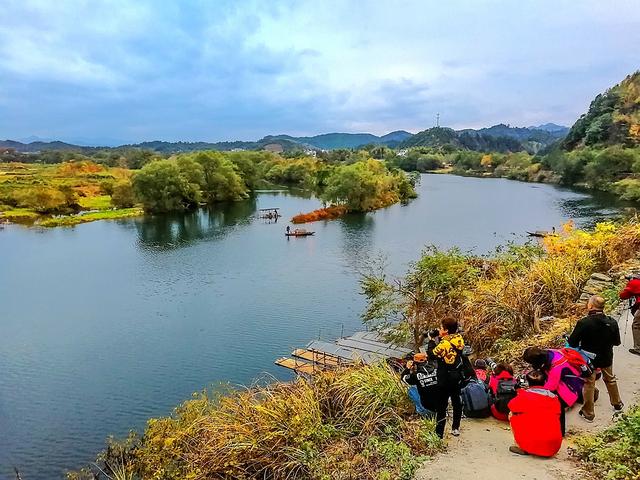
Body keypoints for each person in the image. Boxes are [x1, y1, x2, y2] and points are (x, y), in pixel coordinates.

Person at [567, 295, 623, 422]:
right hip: (606, 356)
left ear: (591, 306)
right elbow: (617, 342)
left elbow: (572, 343)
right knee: (610, 379)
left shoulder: (584, 323)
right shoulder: (612, 322)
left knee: (589, 383)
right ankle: (617, 403)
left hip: (589, 359)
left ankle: (588, 413)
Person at [523, 346, 584, 436]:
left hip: (570, 389)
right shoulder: (550, 352)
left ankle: (559, 430)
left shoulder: (556, 367)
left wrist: (533, 390)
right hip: (573, 380)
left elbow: (550, 388)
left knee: (553, 403)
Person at [508, 369, 562, 457]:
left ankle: (521, 446)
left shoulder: (524, 395)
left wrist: (520, 392)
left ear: (528, 382)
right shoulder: (554, 398)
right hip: (553, 448)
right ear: (545, 381)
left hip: (533, 446)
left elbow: (511, 406)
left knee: (512, 414)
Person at [431, 317, 465, 438]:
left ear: (445, 330)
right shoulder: (459, 338)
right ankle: (455, 427)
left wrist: (431, 340)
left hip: (445, 377)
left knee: (441, 405)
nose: (439, 330)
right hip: (456, 375)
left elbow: (432, 354)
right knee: (456, 402)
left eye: (441, 328)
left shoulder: (444, 343)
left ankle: (439, 433)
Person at [401, 352, 439, 418]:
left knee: (411, 390)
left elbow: (403, 378)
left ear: (415, 364)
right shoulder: (437, 369)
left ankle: (421, 411)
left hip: (429, 411)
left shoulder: (415, 376)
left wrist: (407, 368)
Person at [619, 274, 640, 356]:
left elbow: (623, 296)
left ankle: (638, 349)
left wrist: (628, 285)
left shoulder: (634, 282)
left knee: (637, 325)